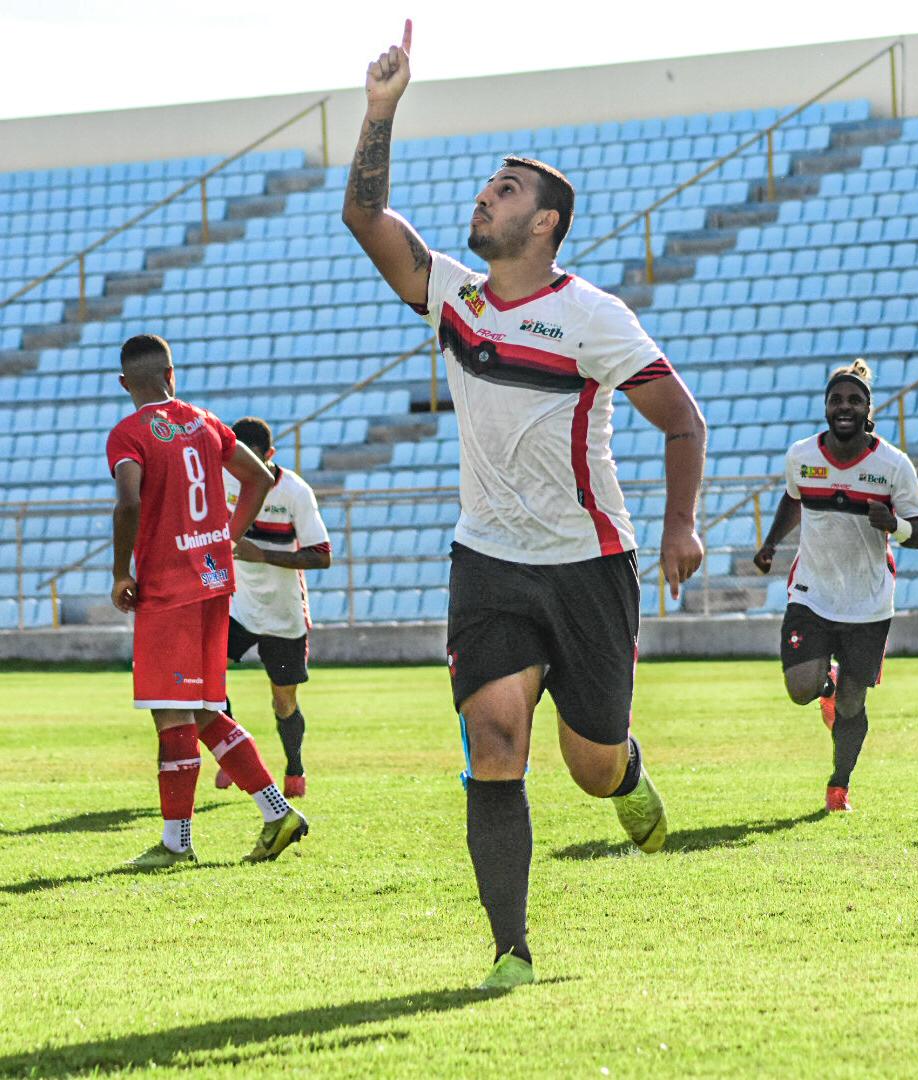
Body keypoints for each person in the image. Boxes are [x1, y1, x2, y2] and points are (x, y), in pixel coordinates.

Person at [342, 21, 706, 990]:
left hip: (588, 563)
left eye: (504, 190)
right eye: (484, 186)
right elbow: (366, 221)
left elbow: (682, 421)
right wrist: (378, 112)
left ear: (543, 224)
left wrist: (677, 524)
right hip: (488, 563)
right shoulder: (453, 299)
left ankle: (627, 775)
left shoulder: (592, 317)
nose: (483, 196)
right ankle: (509, 950)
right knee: (495, 740)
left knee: (586, 763)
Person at [107, 334, 309, 868]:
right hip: (214, 582)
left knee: (173, 714)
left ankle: (177, 845)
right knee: (199, 710)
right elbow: (261, 478)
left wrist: (119, 571)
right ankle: (276, 811)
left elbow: (128, 501)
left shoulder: (128, 433)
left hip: (168, 589)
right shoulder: (204, 420)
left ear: (125, 383)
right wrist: (225, 535)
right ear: (172, 375)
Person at [753, 359, 918, 813]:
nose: (844, 406)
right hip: (812, 594)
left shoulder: (893, 465)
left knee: (853, 705)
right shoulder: (802, 456)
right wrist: (771, 543)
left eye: (854, 400)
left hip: (869, 604)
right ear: (826, 407)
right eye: (836, 399)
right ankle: (824, 685)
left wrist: (895, 525)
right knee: (799, 688)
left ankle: (839, 786)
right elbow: (793, 500)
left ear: (868, 409)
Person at [216, 416, 332, 799]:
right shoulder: (222, 479)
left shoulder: (295, 492)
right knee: (207, 682)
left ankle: (294, 769)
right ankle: (232, 758)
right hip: (236, 605)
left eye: (255, 461)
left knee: (284, 701)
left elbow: (321, 557)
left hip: (283, 614)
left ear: (271, 455)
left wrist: (261, 554)